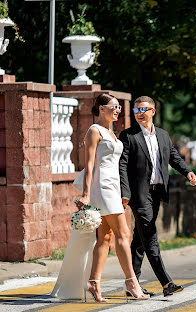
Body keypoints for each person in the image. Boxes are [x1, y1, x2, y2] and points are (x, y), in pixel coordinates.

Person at [51, 94, 149, 303]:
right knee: (123, 233)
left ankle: (94, 282)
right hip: (101, 187)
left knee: (105, 238)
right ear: (101, 109)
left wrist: (123, 191)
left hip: (113, 187)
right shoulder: (94, 131)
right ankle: (132, 281)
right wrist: (86, 194)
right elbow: (89, 166)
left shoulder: (112, 132)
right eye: (114, 107)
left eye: (119, 108)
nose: (117, 111)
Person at [119, 96, 196, 297]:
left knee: (140, 239)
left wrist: (187, 172)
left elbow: (173, 156)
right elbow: (122, 166)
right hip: (139, 194)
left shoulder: (163, 135)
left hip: (156, 192)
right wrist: (125, 193)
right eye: (136, 111)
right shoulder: (128, 136)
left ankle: (132, 284)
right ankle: (166, 282)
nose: (139, 114)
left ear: (153, 111)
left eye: (143, 109)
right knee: (150, 236)